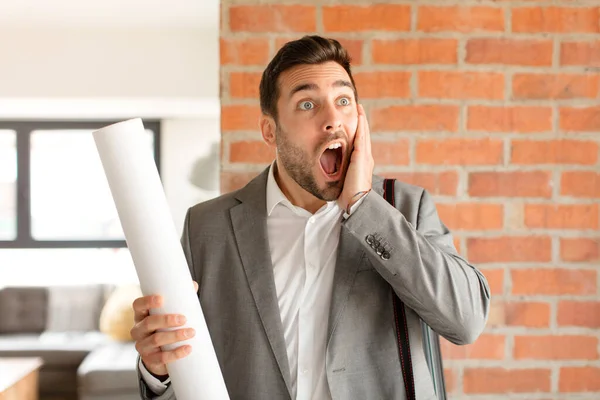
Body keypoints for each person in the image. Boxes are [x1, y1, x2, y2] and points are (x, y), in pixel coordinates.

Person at [132, 35, 490, 400]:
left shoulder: (406, 208)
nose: (333, 119)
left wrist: (364, 205)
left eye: (343, 101)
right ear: (270, 131)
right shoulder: (207, 227)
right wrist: (158, 370)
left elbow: (467, 320)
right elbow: (186, 375)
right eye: (307, 104)